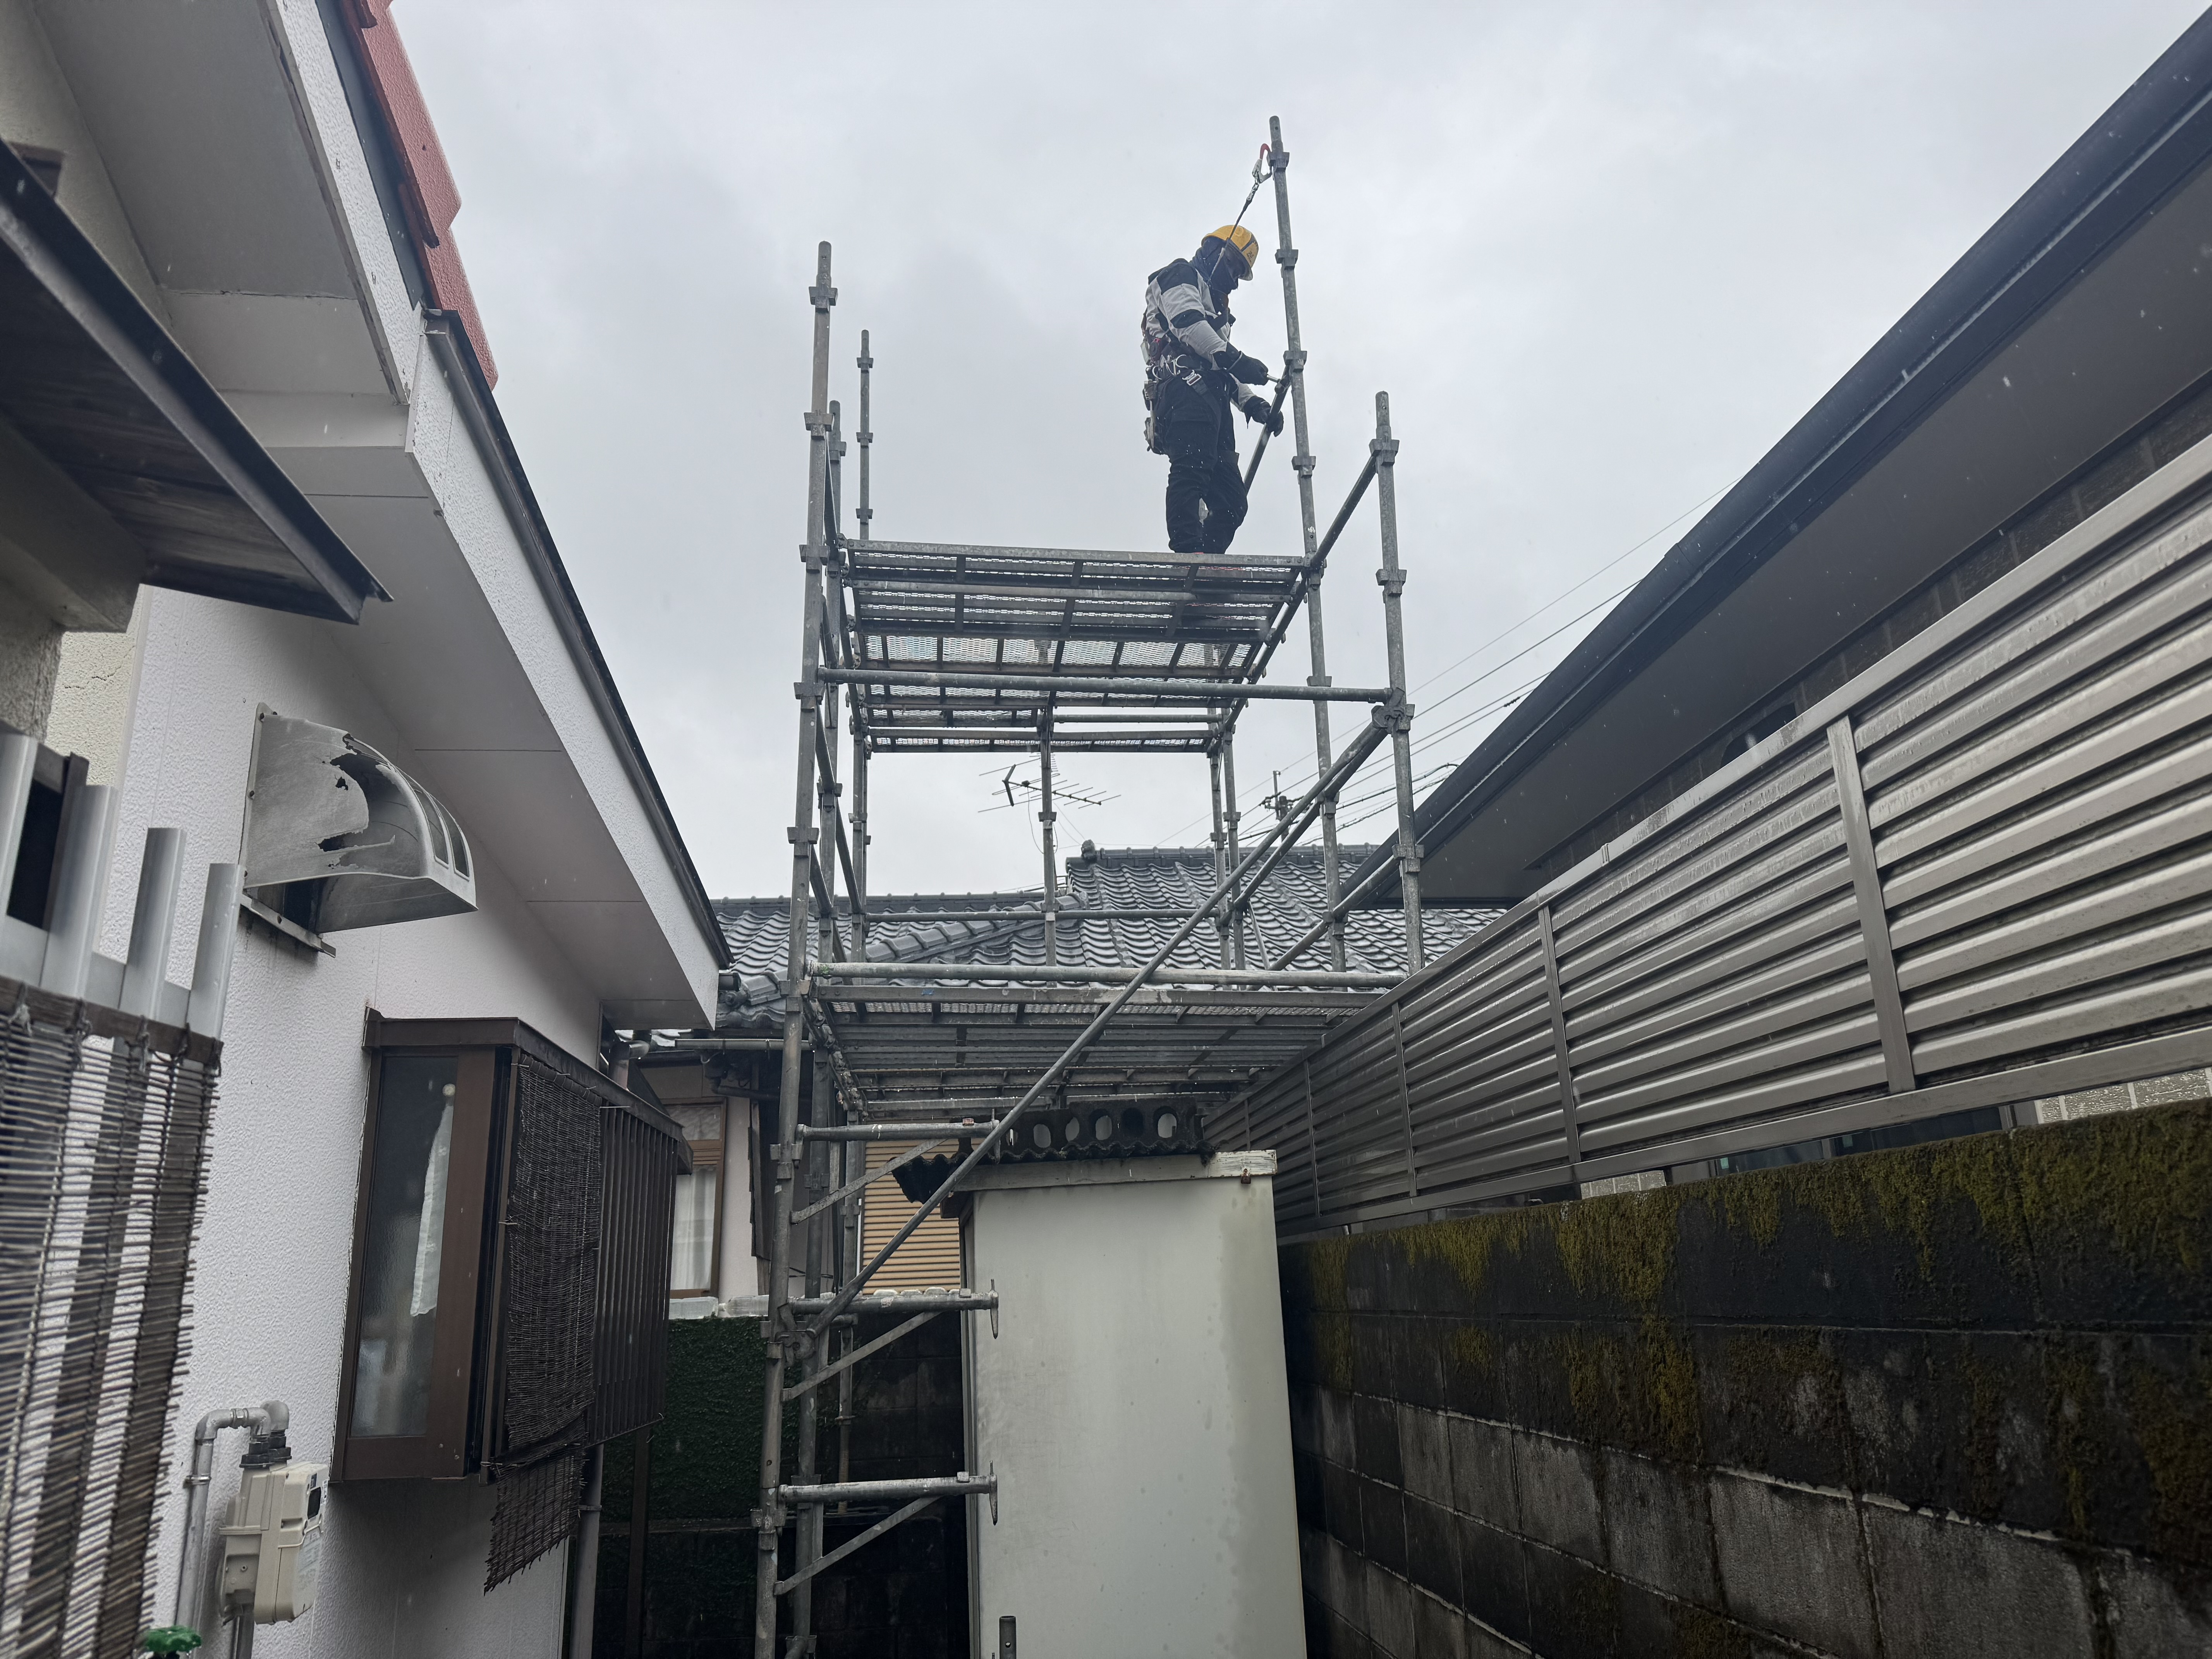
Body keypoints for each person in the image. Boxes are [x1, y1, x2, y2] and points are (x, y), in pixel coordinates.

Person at [1142, 224, 1284, 555]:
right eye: (1232, 265)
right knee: (1191, 472)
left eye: (1239, 273)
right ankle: (1188, 556)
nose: (1233, 279)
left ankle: (1208, 562)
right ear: (1211, 251)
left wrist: (1253, 403)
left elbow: (1219, 363)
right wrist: (1238, 360)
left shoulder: (1217, 312)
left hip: (1212, 401)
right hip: (1183, 391)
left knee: (1232, 501)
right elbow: (1188, 325)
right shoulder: (1180, 275)